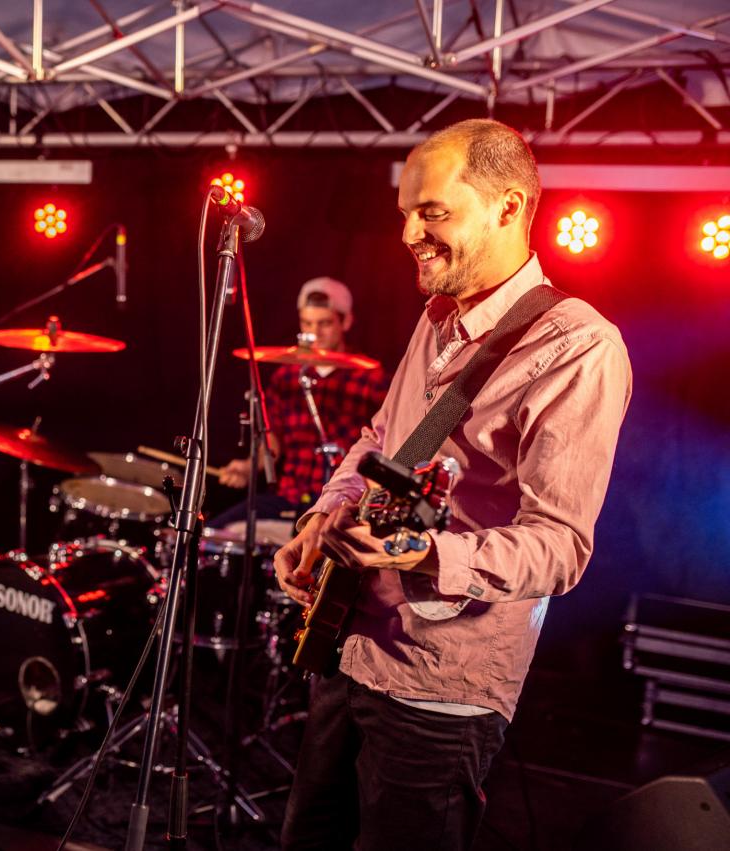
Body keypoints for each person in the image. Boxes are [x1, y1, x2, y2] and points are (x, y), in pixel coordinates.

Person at [273, 118, 632, 850]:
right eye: (406, 212)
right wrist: (323, 516)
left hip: (441, 684)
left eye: (432, 212)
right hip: (350, 643)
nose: (409, 233)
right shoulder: (437, 314)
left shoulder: (579, 345)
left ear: (507, 206)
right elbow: (382, 438)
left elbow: (561, 546)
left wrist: (427, 554)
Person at [215, 277, 388, 537]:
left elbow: (385, 443)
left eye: (325, 323)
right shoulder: (286, 377)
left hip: (341, 502)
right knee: (211, 534)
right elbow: (272, 446)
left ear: (346, 322)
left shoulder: (371, 379)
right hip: (288, 498)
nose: (314, 332)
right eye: (307, 323)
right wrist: (249, 467)